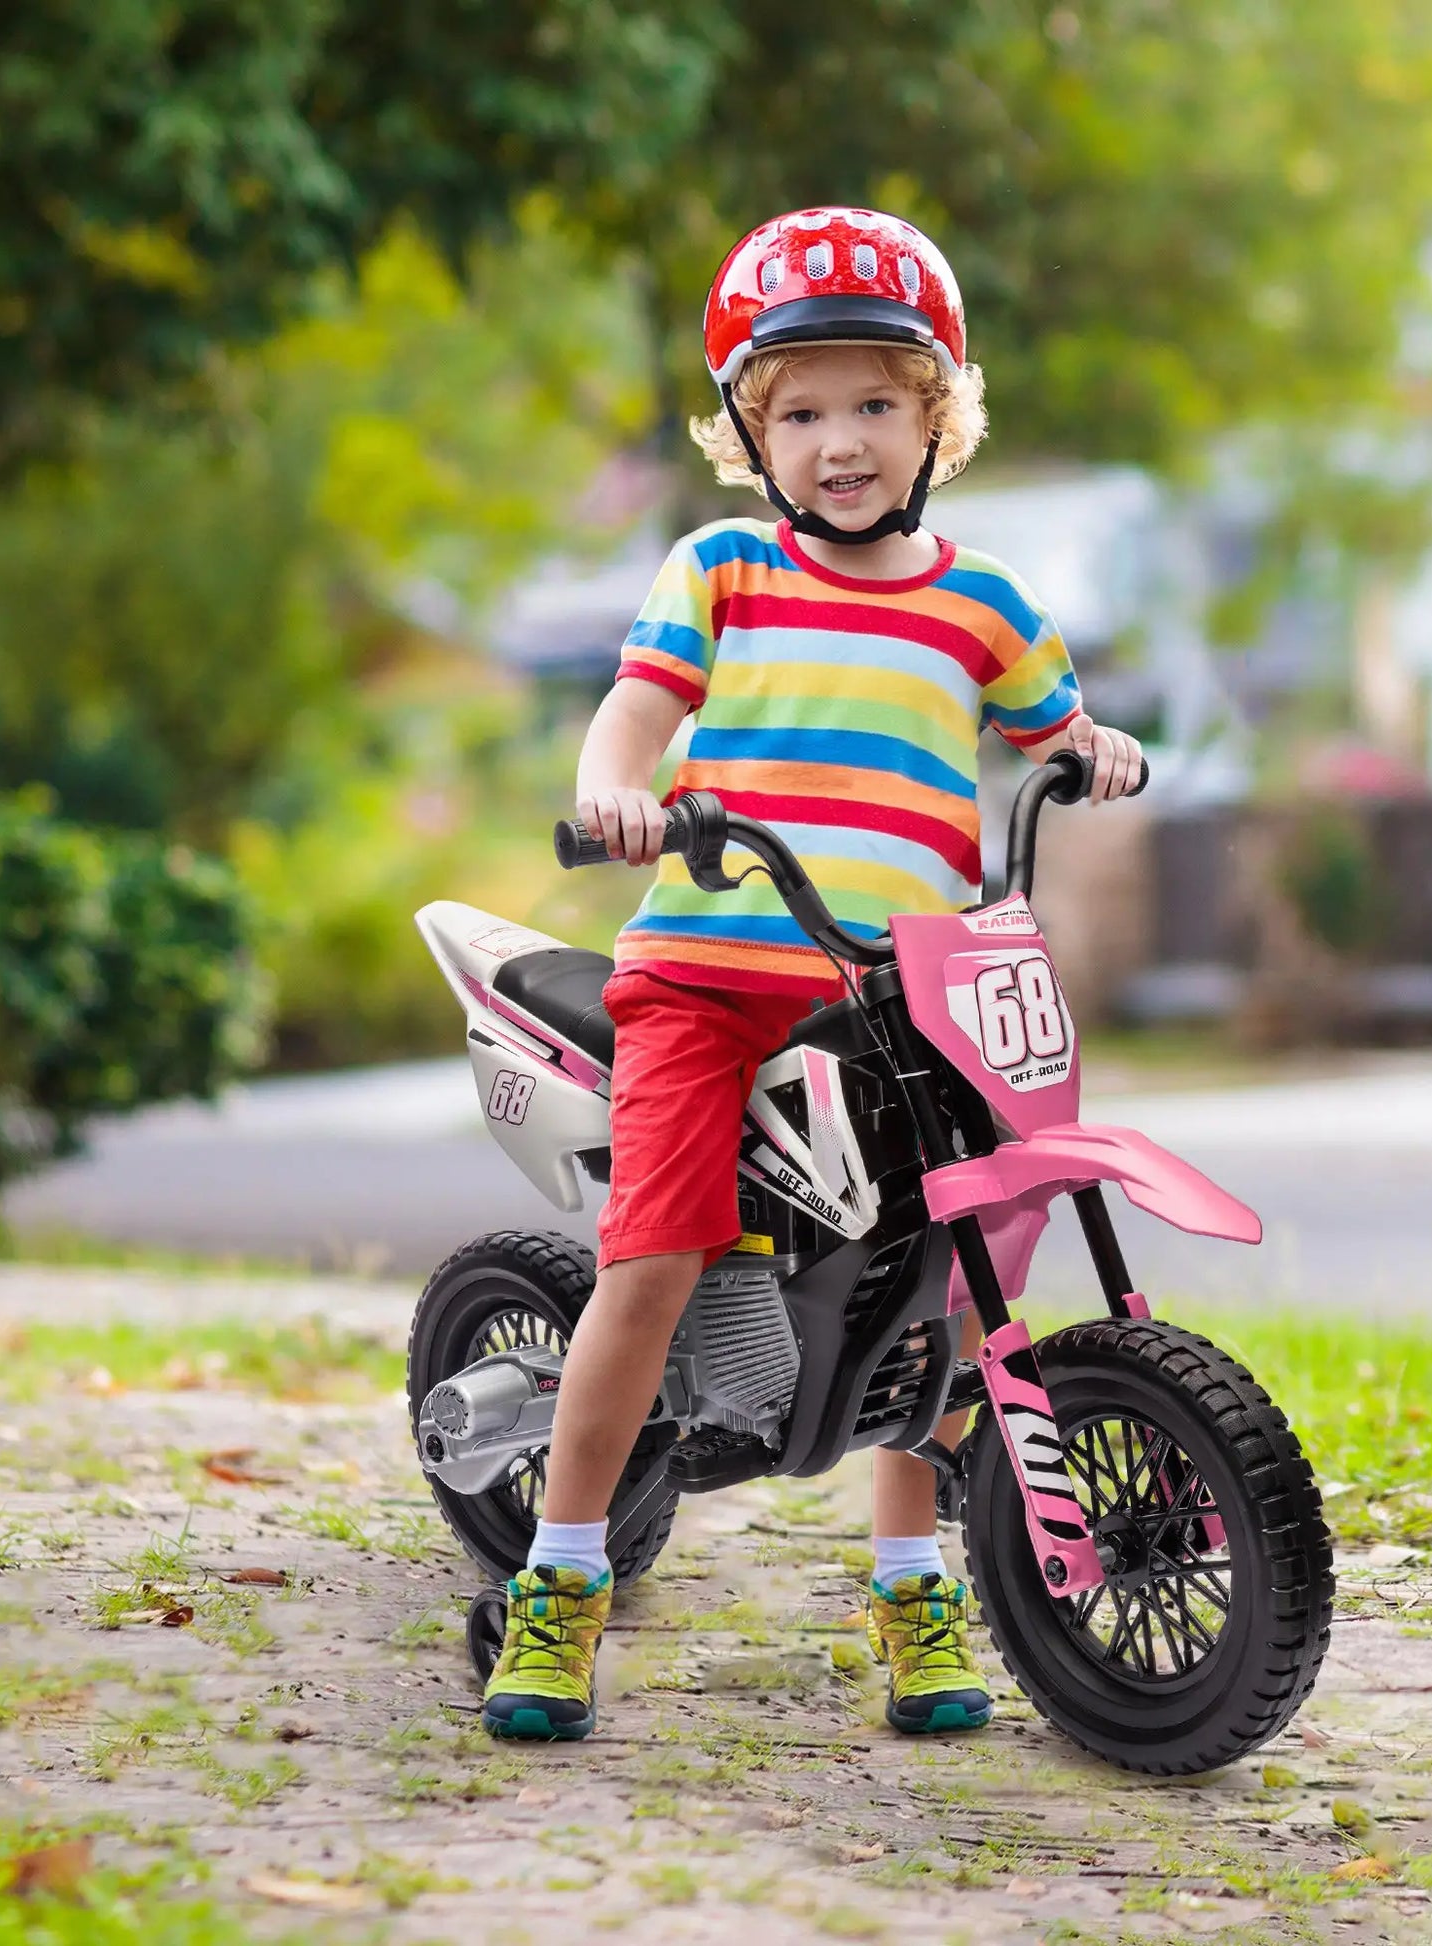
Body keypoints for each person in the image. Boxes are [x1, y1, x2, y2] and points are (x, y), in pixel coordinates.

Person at [481, 208, 1144, 1743]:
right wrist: (617, 791)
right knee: (649, 1263)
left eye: (871, 404)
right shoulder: (721, 566)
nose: (836, 441)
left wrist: (1086, 750)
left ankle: (913, 1584)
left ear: (936, 418)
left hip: (906, 987)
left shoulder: (981, 601)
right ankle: (560, 1578)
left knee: (954, 1279)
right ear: (747, 433)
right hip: (710, 975)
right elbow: (632, 717)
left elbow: (1054, 729)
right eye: (796, 410)